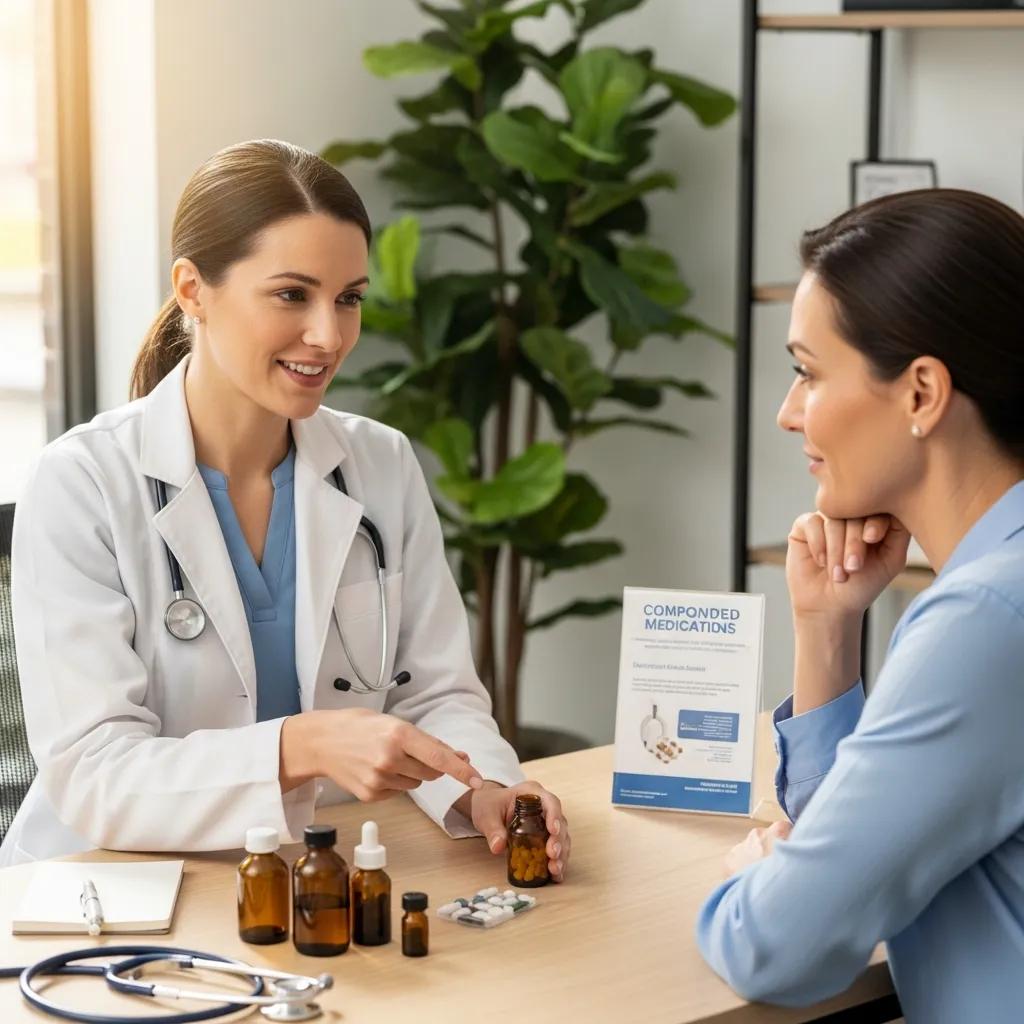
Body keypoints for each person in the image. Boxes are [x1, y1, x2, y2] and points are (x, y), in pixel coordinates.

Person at [1, 140, 571, 879]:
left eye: (349, 298)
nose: (329, 337)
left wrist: (484, 788)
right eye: (291, 294)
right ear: (193, 290)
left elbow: (435, 692)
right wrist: (299, 747)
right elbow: (93, 775)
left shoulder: (381, 464)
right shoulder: (83, 482)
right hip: (119, 892)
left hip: (321, 868)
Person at [697, 189, 1024, 1022]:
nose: (787, 412)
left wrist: (757, 881)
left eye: (808, 371)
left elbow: (775, 947)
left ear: (921, 393)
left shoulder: (987, 621)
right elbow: (860, 841)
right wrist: (826, 627)